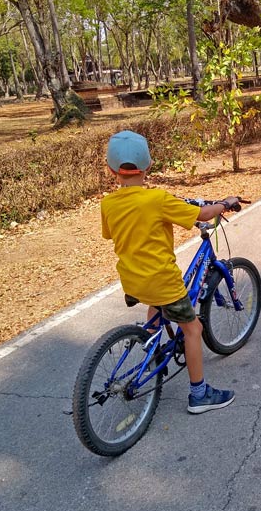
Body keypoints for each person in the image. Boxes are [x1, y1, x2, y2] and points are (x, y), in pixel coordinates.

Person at [101, 129, 239, 414]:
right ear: (149, 165)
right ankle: (199, 394)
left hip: (132, 279)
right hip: (161, 281)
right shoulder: (158, 200)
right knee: (193, 328)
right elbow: (201, 215)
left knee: (156, 303)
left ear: (111, 168)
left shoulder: (108, 203)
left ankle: (150, 341)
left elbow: (111, 233)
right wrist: (224, 203)